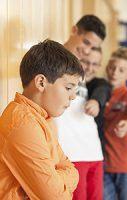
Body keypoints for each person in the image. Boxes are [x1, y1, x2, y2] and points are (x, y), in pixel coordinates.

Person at [0, 39, 84, 200]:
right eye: (68, 88)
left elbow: (72, 170)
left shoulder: (44, 118)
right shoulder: (23, 124)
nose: (73, 97)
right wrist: (56, 185)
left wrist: (55, 182)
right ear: (41, 82)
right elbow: (56, 197)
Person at [55, 15, 107, 200]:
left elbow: (102, 85)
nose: (87, 50)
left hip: (93, 150)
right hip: (70, 153)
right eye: (86, 42)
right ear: (74, 30)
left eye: (92, 47)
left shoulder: (80, 65)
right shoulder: (53, 61)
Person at [103, 47, 127, 200]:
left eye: (121, 70)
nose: (115, 72)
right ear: (107, 68)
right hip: (104, 166)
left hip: (126, 167)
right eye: (112, 68)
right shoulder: (99, 92)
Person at [81, 47, 110, 152]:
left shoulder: (100, 83)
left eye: (94, 64)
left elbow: (102, 90)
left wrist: (95, 102)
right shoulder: (70, 84)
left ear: (99, 66)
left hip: (94, 148)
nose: (89, 68)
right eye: (85, 62)